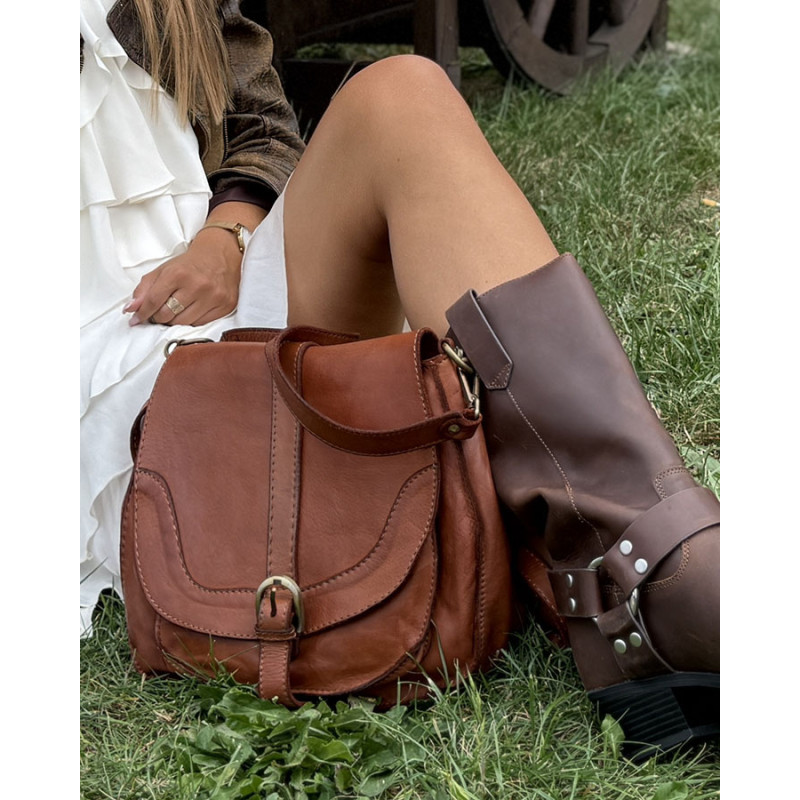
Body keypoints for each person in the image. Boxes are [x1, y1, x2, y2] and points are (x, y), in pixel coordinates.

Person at [81, 0, 719, 754]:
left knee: (401, 95)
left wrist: (226, 234)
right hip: (96, 373)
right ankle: (658, 599)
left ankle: (651, 565)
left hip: (230, 290)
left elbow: (260, 128)